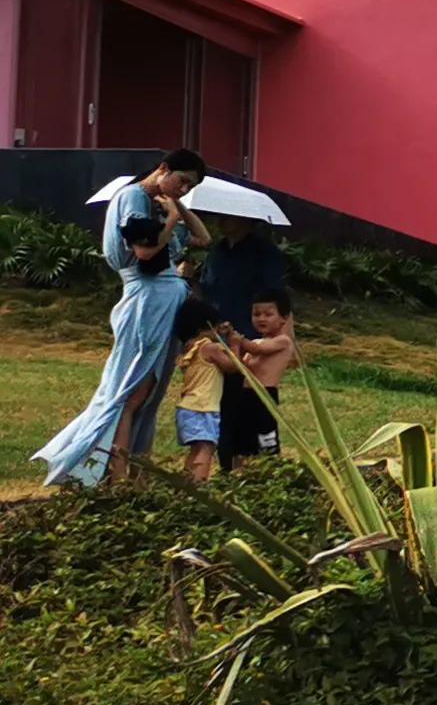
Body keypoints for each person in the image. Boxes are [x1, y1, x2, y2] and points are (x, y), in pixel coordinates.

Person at [32, 153, 203, 490]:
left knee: (149, 393)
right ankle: (117, 476)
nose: (183, 189)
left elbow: (202, 239)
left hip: (163, 299)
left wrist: (175, 206)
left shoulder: (156, 201)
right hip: (147, 300)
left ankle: (134, 474)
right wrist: (169, 219)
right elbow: (145, 250)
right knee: (131, 391)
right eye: (181, 180)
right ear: (163, 169)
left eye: (190, 186)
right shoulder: (133, 197)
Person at [220, 291, 297, 470]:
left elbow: (255, 349)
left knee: (265, 438)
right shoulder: (256, 341)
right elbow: (240, 365)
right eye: (256, 314)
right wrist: (231, 343)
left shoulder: (283, 341)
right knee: (244, 440)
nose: (261, 318)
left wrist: (238, 339)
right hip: (246, 395)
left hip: (264, 395)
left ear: (283, 319)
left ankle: (269, 471)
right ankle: (241, 472)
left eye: (268, 314)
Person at [166, 297, 239, 482]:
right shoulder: (211, 348)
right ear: (204, 328)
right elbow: (232, 366)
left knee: (196, 449)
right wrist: (234, 344)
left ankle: (187, 484)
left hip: (188, 407)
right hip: (204, 407)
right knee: (206, 449)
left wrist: (219, 333)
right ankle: (199, 485)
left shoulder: (189, 347)